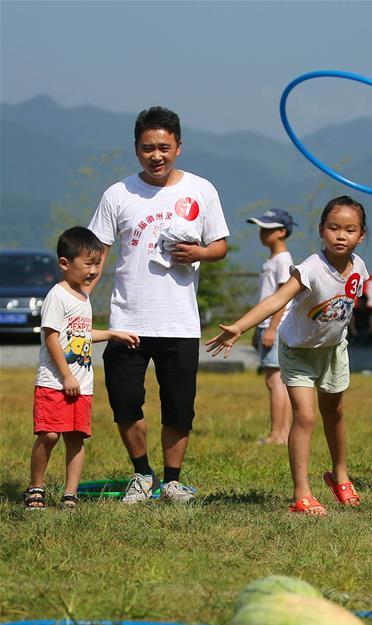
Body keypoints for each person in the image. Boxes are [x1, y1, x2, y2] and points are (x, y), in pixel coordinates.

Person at [89, 106, 229, 504]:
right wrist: (76, 299)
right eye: (148, 148)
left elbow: (220, 245)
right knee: (125, 400)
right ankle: (141, 474)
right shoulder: (118, 194)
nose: (156, 156)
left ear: (179, 147)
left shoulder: (201, 190)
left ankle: (171, 481)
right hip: (127, 319)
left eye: (164, 147)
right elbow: (96, 254)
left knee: (179, 407)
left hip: (180, 322)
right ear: (136, 149)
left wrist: (198, 251)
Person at [206, 195, 368, 515]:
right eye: (333, 228)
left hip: (333, 350)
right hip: (297, 351)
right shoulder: (309, 268)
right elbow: (276, 300)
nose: (341, 235)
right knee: (306, 416)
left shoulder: (360, 269)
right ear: (322, 230)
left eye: (350, 230)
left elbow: (346, 306)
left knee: (334, 413)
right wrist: (239, 326)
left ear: (361, 236)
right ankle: (302, 494)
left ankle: (340, 474)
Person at [24, 227, 139, 510]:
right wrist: (66, 375)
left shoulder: (83, 297)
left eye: (97, 264)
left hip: (81, 384)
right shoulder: (58, 295)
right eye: (88, 264)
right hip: (55, 382)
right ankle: (35, 487)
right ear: (65, 263)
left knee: (76, 438)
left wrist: (113, 334)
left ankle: (70, 493)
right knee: (49, 435)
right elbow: (52, 337)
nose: (94, 270)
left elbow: (82, 334)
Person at [246, 208, 296, 445]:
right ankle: (282, 432)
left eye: (267, 229)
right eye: (261, 228)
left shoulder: (283, 260)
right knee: (276, 380)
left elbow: (282, 297)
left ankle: (278, 434)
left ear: (281, 232)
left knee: (274, 380)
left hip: (274, 325)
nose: (261, 233)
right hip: (266, 324)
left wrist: (272, 328)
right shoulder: (274, 259)